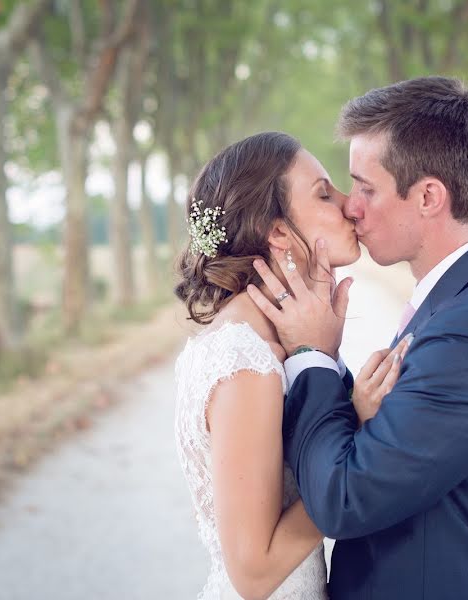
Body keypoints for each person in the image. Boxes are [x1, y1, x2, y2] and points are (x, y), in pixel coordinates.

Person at [247, 77, 468, 599]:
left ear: (429, 196)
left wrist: (313, 356)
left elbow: (343, 499)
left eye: (367, 188)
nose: (351, 207)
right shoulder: (462, 301)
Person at [173, 131, 408, 599]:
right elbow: (254, 573)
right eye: (324, 192)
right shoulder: (248, 364)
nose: (349, 204)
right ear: (278, 231)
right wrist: (357, 438)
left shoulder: (267, 338)